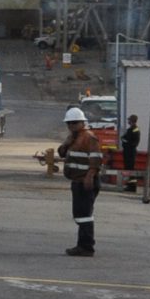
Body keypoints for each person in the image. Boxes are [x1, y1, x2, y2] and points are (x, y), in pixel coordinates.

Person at [47, 107, 104, 256]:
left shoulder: (89, 137)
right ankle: (82, 244)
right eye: (69, 123)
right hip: (77, 181)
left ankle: (86, 247)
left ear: (82, 122)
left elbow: (96, 159)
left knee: (85, 214)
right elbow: (62, 153)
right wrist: (67, 142)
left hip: (86, 181)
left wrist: (90, 176)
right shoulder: (74, 137)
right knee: (80, 214)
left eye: (74, 123)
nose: (71, 126)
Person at [124, 114, 143, 194]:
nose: (128, 121)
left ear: (132, 121)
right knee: (129, 169)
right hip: (128, 152)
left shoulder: (135, 130)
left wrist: (126, 143)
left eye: (129, 120)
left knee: (131, 170)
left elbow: (134, 142)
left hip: (130, 152)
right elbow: (124, 137)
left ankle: (132, 186)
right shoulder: (131, 129)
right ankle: (130, 185)